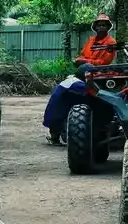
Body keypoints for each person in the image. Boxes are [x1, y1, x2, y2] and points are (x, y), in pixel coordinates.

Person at [43, 13, 117, 145]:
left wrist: (85, 62)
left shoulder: (111, 43)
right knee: (61, 92)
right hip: (84, 73)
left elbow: (104, 62)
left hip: (98, 75)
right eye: (99, 24)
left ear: (108, 27)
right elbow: (81, 56)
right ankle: (55, 130)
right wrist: (82, 61)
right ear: (95, 27)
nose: (101, 27)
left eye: (104, 25)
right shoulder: (90, 41)